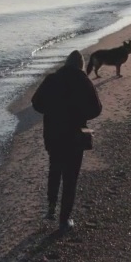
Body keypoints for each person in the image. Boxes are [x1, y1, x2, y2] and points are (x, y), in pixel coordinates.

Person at [31, 50, 102, 230]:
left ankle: (51, 208)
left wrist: (53, 112)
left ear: (66, 63)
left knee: (55, 169)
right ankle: (64, 220)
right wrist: (80, 114)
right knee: (70, 178)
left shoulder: (52, 79)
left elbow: (36, 103)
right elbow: (96, 109)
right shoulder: (83, 81)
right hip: (75, 135)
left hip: (53, 134)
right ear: (81, 65)